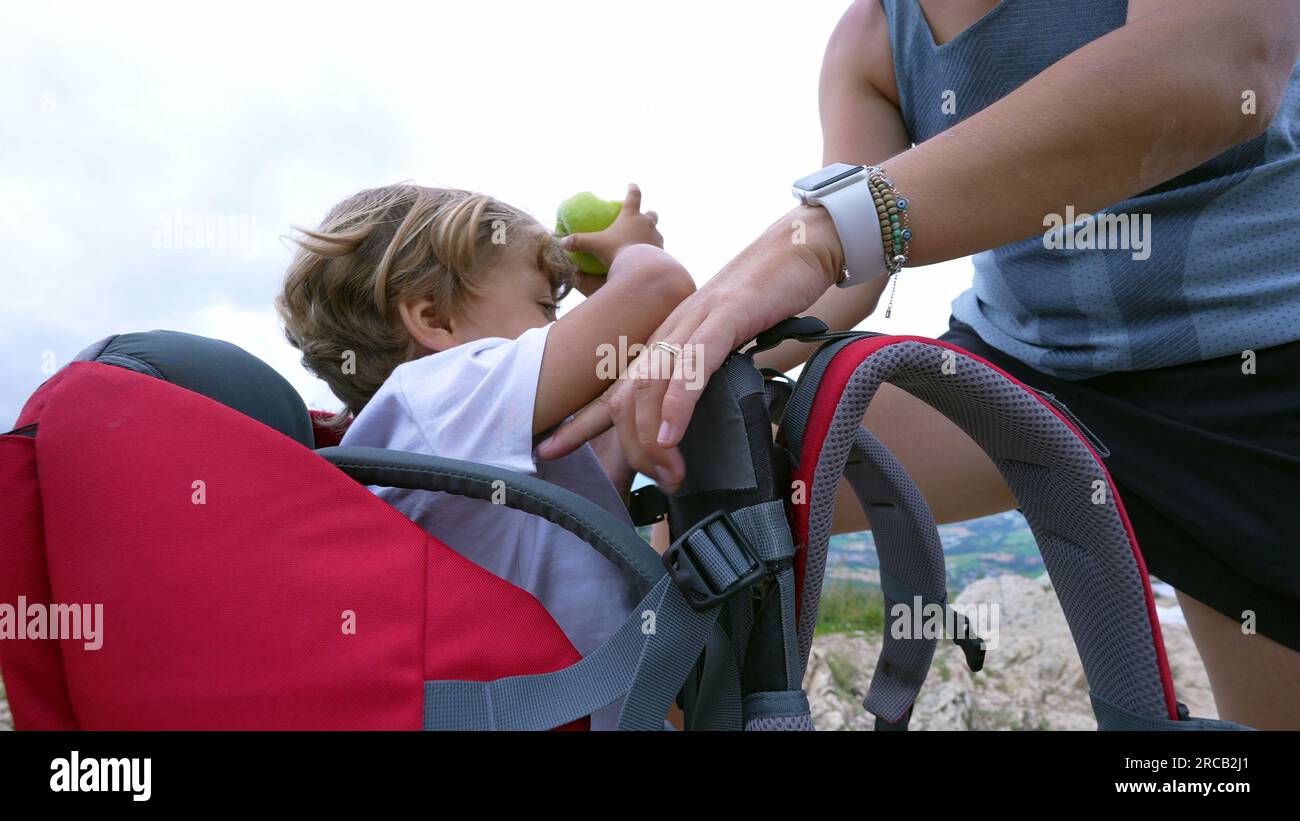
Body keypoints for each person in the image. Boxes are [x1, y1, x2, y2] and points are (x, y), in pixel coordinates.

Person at [539, 0, 1300, 728]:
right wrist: (685, 344)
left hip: (1254, 370)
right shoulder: (870, 36)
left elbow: (1223, 66)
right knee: (708, 494)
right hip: (1027, 362)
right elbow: (852, 273)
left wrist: (826, 234)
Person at [276, 182, 694, 729]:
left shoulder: (441, 428)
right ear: (435, 322)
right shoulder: (441, 393)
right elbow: (659, 287)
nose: (555, 327)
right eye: (545, 306)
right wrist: (632, 251)